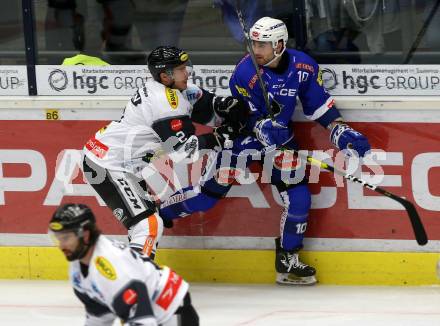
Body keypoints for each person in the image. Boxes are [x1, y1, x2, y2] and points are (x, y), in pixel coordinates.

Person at [159, 17, 371, 285]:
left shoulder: (303, 67)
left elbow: (318, 105)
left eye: (263, 44)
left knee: (299, 200)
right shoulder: (245, 72)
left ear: (280, 44)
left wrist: (339, 129)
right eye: (254, 42)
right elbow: (240, 115)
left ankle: (288, 261)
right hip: (240, 141)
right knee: (205, 198)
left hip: (280, 141)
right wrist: (258, 126)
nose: (256, 50)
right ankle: (162, 212)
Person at [82, 45, 247, 258]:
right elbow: (183, 152)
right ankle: (137, 278)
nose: (187, 72)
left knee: (145, 225)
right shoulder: (163, 103)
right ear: (165, 75)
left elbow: (207, 107)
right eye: (180, 69)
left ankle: (135, 270)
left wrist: (225, 105)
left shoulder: (174, 89)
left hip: (119, 163)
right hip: (107, 165)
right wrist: (217, 138)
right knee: (148, 225)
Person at [48, 203, 199, 325]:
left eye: (66, 238)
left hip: (172, 312)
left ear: (85, 235)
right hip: (151, 308)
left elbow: (143, 322)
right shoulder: (78, 266)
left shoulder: (112, 266)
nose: (61, 245)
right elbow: (99, 314)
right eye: (58, 238)